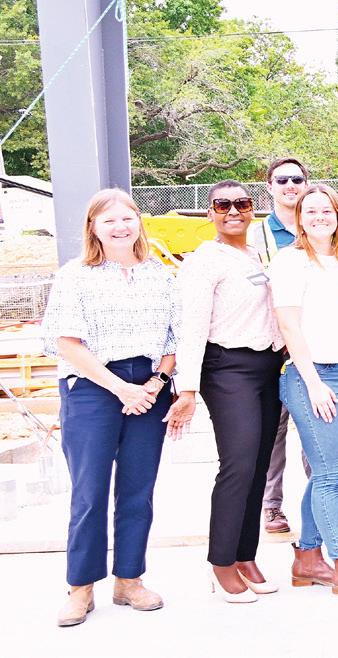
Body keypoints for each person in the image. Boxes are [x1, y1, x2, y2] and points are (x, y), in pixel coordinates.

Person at [43, 189, 180, 627]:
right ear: (93, 228)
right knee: (90, 491)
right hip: (92, 387)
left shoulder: (161, 275)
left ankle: (129, 580)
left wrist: (155, 383)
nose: (120, 227)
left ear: (139, 221)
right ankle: (81, 587)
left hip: (149, 388)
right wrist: (122, 389)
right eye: (109, 221)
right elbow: (66, 342)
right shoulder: (75, 275)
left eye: (127, 218)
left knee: (138, 489)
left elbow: (175, 339)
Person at [269, 183, 338, 600]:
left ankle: (306, 558)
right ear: (299, 218)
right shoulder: (290, 262)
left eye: (327, 211)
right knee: (331, 474)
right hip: (312, 376)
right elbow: (289, 325)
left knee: (326, 472)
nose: (319, 217)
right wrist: (314, 383)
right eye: (311, 211)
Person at [175, 181, 285, 603]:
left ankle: (245, 555)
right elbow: (192, 325)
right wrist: (187, 387)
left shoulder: (258, 256)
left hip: (266, 366)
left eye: (242, 203)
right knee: (238, 463)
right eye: (223, 205)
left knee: (258, 465)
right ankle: (221, 562)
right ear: (210, 213)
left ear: (253, 209)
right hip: (228, 368)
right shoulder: (204, 261)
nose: (233, 211)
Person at [251, 156, 309, 535]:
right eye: (282, 180)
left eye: (297, 180)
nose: (290, 186)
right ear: (269, 186)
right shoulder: (257, 235)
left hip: (313, 343)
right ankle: (271, 506)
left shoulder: (318, 225)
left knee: (315, 427)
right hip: (272, 345)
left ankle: (319, 502)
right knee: (273, 430)